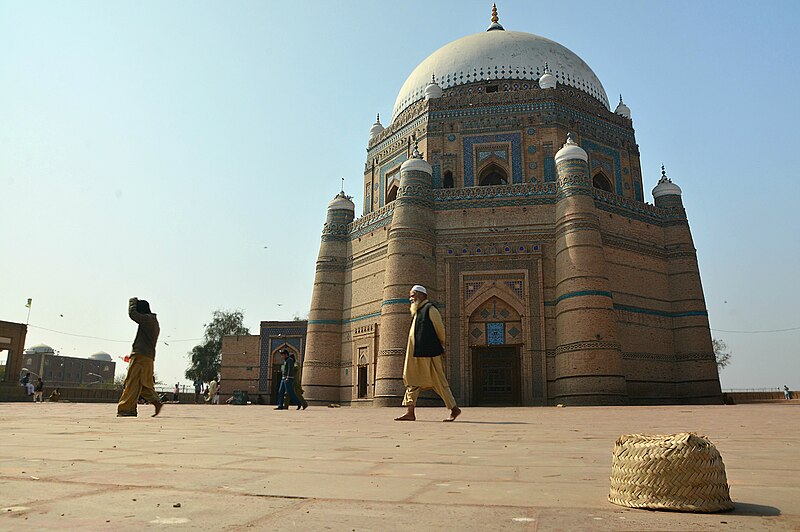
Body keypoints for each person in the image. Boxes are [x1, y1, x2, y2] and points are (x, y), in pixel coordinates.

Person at [395, 285, 461, 422]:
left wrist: (441, 345)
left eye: (412, 295)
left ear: (420, 296)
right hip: (415, 354)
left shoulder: (430, 309)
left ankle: (454, 408)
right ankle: (410, 412)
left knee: (439, 381)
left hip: (429, 353)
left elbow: (440, 328)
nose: (410, 299)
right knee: (411, 380)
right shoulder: (418, 312)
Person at [116, 297, 163, 417]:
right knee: (142, 383)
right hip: (148, 356)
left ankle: (126, 409)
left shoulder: (148, 320)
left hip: (140, 355)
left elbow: (133, 315)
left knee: (131, 382)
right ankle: (155, 401)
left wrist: (132, 302)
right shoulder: (154, 322)